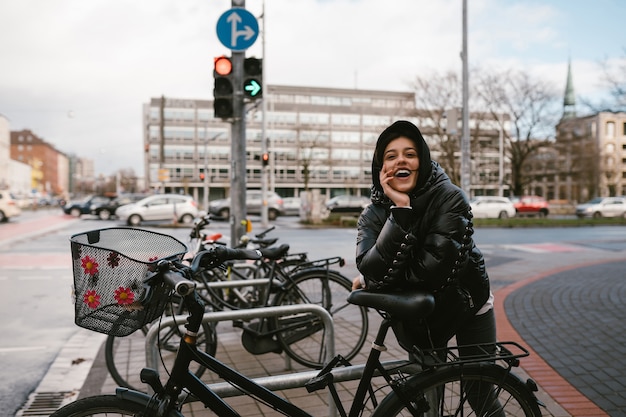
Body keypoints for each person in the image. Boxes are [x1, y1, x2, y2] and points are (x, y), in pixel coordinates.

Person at [352, 120, 501, 414]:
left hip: (467, 304)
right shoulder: (373, 213)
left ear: (422, 159)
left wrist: (379, 280)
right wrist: (400, 212)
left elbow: (428, 274)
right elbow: (368, 265)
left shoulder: (450, 198)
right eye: (391, 156)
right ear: (381, 167)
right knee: (426, 400)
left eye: (410, 153)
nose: (401, 161)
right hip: (420, 315)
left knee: (479, 393)